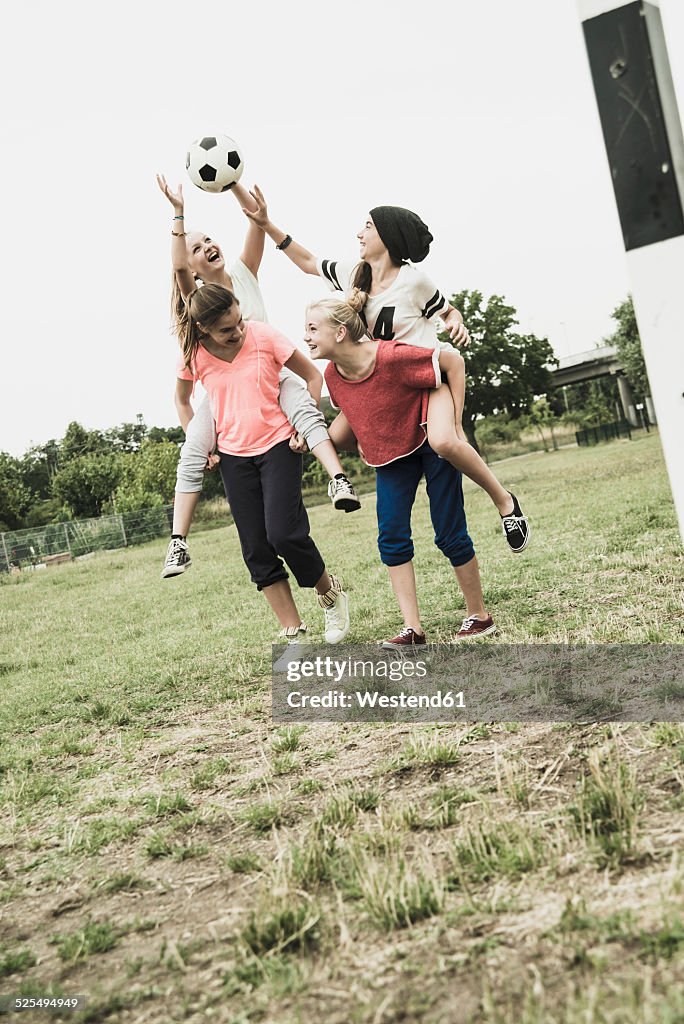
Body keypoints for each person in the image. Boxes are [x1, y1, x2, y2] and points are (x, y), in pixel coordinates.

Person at [241, 187, 530, 553]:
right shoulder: (352, 273)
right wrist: (266, 225)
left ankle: (505, 502)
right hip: (380, 390)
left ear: (388, 237)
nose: (359, 234)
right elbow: (308, 261)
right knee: (336, 437)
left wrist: (457, 323)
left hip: (425, 379)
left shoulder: (414, 281)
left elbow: (448, 311)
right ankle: (346, 476)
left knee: (444, 441)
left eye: (367, 226)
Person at [156, 175, 360, 579]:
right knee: (192, 451)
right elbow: (177, 264)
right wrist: (178, 213)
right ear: (193, 271)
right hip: (227, 394)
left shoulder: (244, 273)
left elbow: (254, 222)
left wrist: (233, 185)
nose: (207, 247)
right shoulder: (193, 300)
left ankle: (338, 479)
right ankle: (179, 542)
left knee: (302, 405)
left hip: (271, 373)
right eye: (198, 247)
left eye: (209, 239)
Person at [303, 293, 496, 643]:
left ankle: (479, 615)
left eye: (313, 328)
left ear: (341, 332)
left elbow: (452, 362)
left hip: (430, 442)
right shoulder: (332, 375)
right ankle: (413, 629)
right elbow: (362, 412)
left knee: (449, 532)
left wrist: (453, 424)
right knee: (391, 538)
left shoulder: (391, 356)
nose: (306, 336)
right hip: (392, 458)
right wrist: (358, 439)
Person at [176, 283, 350, 645]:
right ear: (203, 328)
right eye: (227, 329)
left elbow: (312, 375)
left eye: (239, 321)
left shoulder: (263, 336)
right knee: (255, 547)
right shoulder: (194, 353)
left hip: (278, 444)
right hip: (233, 456)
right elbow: (182, 400)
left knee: (284, 534)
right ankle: (294, 631)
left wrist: (308, 422)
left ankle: (330, 594)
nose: (238, 331)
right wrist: (202, 443)